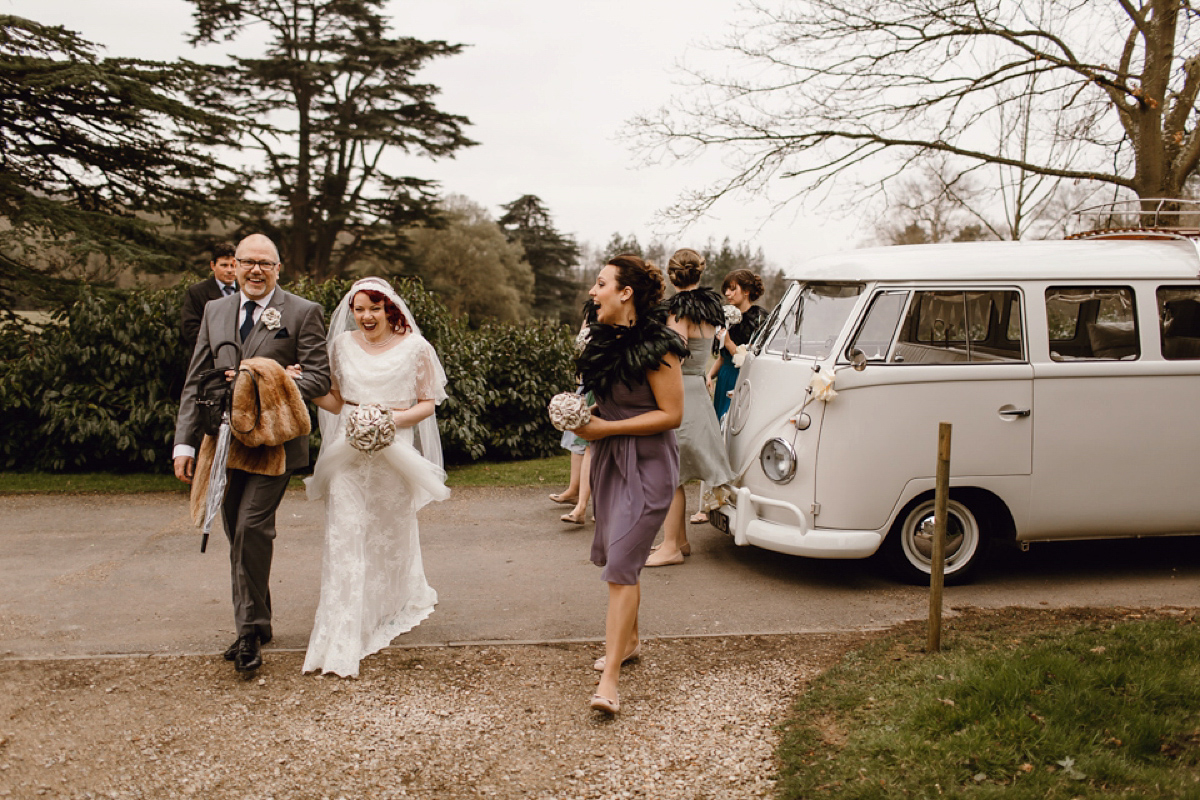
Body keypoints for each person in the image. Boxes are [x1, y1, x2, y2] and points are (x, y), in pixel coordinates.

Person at [173, 233, 330, 674]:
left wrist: (270, 379)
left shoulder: (302, 312)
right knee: (233, 530)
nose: (256, 270)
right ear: (234, 266)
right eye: (247, 262)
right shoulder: (214, 310)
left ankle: (246, 635)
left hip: (275, 443)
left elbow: (318, 378)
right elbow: (197, 379)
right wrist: (183, 443)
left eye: (265, 263)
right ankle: (257, 622)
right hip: (222, 442)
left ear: (279, 269)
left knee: (250, 528)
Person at [299, 277, 450, 678]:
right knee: (345, 534)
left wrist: (386, 420)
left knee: (388, 535)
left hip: (393, 454)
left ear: (390, 309)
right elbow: (333, 400)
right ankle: (343, 627)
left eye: (374, 308)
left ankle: (386, 607)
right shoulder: (340, 346)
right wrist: (303, 387)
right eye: (359, 308)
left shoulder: (416, 348)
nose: (366, 316)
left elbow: (427, 404)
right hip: (347, 453)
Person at [573, 254, 686, 715]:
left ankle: (611, 681)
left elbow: (672, 415)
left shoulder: (660, 346)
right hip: (610, 463)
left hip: (649, 464)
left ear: (625, 293)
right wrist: (583, 417)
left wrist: (606, 430)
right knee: (620, 559)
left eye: (600, 284)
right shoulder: (598, 341)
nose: (592, 292)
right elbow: (606, 405)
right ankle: (632, 640)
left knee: (621, 563)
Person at [645, 248, 736, 567]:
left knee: (670, 472)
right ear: (700, 273)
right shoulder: (710, 310)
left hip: (679, 388)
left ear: (672, 276)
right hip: (697, 386)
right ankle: (679, 540)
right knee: (677, 470)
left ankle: (670, 546)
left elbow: (676, 349)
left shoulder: (678, 311)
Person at [550, 300, 599, 526]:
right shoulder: (590, 319)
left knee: (593, 445)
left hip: (604, 387)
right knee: (583, 442)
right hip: (589, 384)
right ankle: (578, 499)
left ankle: (590, 503)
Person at [707, 269, 768, 421]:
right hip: (724, 377)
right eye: (726, 289)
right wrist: (710, 375)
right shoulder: (726, 318)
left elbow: (750, 361)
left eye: (732, 289)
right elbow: (723, 358)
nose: (727, 293)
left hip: (742, 379)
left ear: (746, 291)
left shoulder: (758, 319)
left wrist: (728, 342)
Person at [181, 242, 239, 353]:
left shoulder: (246, 291)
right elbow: (190, 329)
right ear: (213, 266)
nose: (230, 270)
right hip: (210, 356)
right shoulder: (197, 292)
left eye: (233, 265)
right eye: (224, 265)